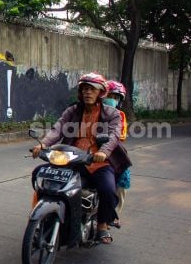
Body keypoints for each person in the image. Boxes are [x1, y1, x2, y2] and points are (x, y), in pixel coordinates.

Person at [32, 73, 132, 244]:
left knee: (108, 190)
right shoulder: (73, 110)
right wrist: (43, 144)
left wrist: (103, 152)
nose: (87, 92)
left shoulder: (111, 113)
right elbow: (58, 128)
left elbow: (115, 135)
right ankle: (40, 217)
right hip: (72, 160)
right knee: (41, 174)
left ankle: (102, 225)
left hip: (98, 162)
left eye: (92, 89)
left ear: (101, 92)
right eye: (84, 89)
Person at [104, 80, 131, 226]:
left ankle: (113, 215)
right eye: (110, 96)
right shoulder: (92, 110)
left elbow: (121, 136)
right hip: (86, 149)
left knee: (123, 177)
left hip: (113, 152)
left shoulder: (120, 115)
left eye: (115, 97)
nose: (112, 100)